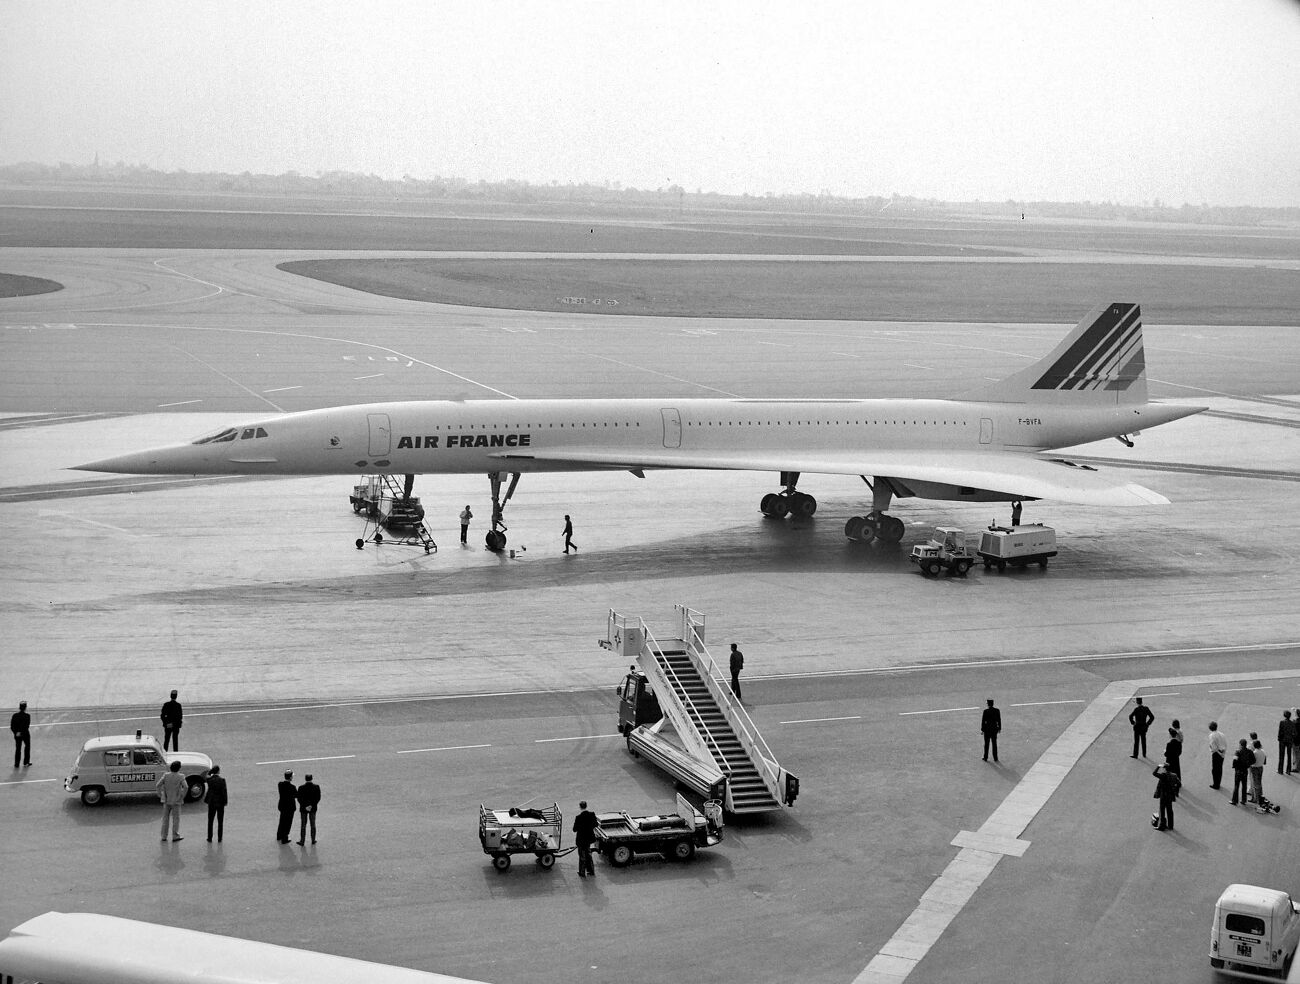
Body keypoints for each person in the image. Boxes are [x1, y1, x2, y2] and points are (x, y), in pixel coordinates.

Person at [156, 760, 187, 842]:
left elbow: (158, 785)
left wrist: (160, 795)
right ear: (179, 768)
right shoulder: (181, 776)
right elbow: (186, 787)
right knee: (176, 819)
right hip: (176, 801)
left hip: (166, 800)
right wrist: (182, 796)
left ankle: (164, 836)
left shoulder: (166, 775)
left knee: (165, 819)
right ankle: (175, 835)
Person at [1152, 762, 1180, 831]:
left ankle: (1162, 826)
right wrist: (1175, 791)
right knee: (1170, 811)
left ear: (1164, 769)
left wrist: (1158, 766)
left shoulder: (1163, 776)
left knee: (1162, 811)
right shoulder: (1174, 775)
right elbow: (1179, 784)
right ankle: (1171, 826)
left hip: (1163, 795)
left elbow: (1154, 773)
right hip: (1170, 796)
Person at [573, 800, 598, 877]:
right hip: (589, 839)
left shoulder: (578, 817)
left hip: (581, 840)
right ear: (586, 806)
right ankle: (591, 871)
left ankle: (582, 872)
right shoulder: (592, 814)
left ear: (580, 807)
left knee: (582, 856)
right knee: (588, 854)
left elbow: (574, 829)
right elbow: (595, 824)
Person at [204, 764, 228, 843]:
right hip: (220, 802)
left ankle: (209, 837)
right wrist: (225, 801)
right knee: (220, 821)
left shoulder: (209, 780)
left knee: (210, 821)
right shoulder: (222, 780)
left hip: (211, 802)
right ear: (218, 771)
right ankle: (219, 838)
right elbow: (224, 792)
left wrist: (211, 771)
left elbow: (207, 775)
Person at [296, 773, 320, 845]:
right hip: (313, 808)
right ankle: (313, 840)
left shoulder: (301, 788)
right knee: (313, 824)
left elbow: (299, 799)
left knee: (303, 825)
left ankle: (302, 841)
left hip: (304, 809)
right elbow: (318, 798)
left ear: (305, 779)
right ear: (311, 779)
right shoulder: (316, 787)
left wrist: (305, 806)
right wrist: (311, 806)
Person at [276, 770, 297, 844]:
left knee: (282, 821)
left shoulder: (280, 784)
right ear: (290, 777)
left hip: (282, 806)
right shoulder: (292, 787)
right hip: (290, 808)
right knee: (287, 823)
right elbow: (296, 795)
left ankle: (279, 835)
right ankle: (285, 838)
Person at [1230, 739, 1253, 806]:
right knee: (1244, 785)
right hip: (1245, 770)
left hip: (1238, 771)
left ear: (1240, 744)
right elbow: (1253, 760)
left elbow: (1234, 761)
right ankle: (1243, 800)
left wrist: (1235, 767)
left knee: (1236, 785)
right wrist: (1248, 764)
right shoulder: (1249, 751)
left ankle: (1234, 800)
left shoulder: (1237, 751)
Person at [10, 700, 31, 768]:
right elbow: (26, 726)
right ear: (25, 708)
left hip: (17, 735)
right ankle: (26, 762)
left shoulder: (15, 716)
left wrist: (16, 733)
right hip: (25, 734)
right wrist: (21, 732)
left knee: (18, 749)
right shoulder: (27, 716)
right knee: (27, 747)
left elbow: (12, 726)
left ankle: (17, 764)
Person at [1207, 721, 1227, 789]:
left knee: (1215, 770)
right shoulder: (1222, 734)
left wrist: (1211, 749)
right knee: (1220, 768)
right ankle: (1218, 782)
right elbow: (1225, 743)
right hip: (1223, 752)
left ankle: (1216, 784)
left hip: (1216, 754)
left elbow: (1213, 747)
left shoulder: (1212, 736)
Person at [1250, 739, 1267, 809]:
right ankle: (1260, 796)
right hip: (1261, 767)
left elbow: (1252, 762)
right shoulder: (1263, 751)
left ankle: (1256, 799)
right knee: (1259, 783)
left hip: (1255, 768)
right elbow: (1265, 761)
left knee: (1255, 784)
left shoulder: (1254, 753)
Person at [1277, 710, 1295, 775]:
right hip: (1289, 740)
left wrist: (1279, 738)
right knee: (1289, 755)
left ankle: (1280, 770)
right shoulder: (1292, 723)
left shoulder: (1282, 722)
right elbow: (1294, 733)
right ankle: (1288, 770)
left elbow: (1280, 731)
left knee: (1281, 755)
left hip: (1282, 740)